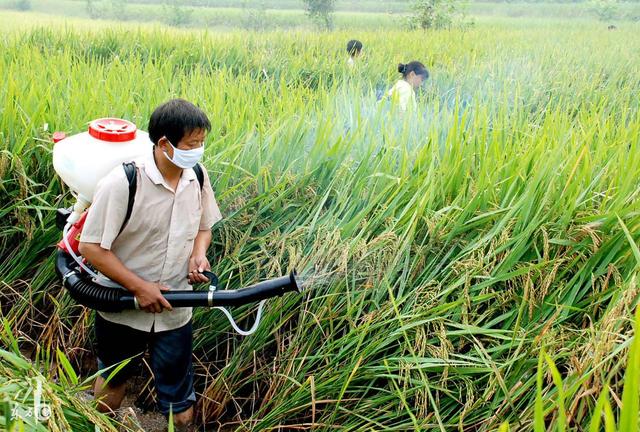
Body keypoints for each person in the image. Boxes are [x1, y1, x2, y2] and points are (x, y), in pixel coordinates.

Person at [78, 98, 223, 432]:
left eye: (201, 143)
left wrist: (197, 255)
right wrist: (139, 287)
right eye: (191, 144)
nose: (198, 151)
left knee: (181, 406)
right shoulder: (124, 182)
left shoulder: (196, 176)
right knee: (112, 386)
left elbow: (204, 228)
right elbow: (91, 247)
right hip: (122, 307)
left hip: (175, 309)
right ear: (163, 143)